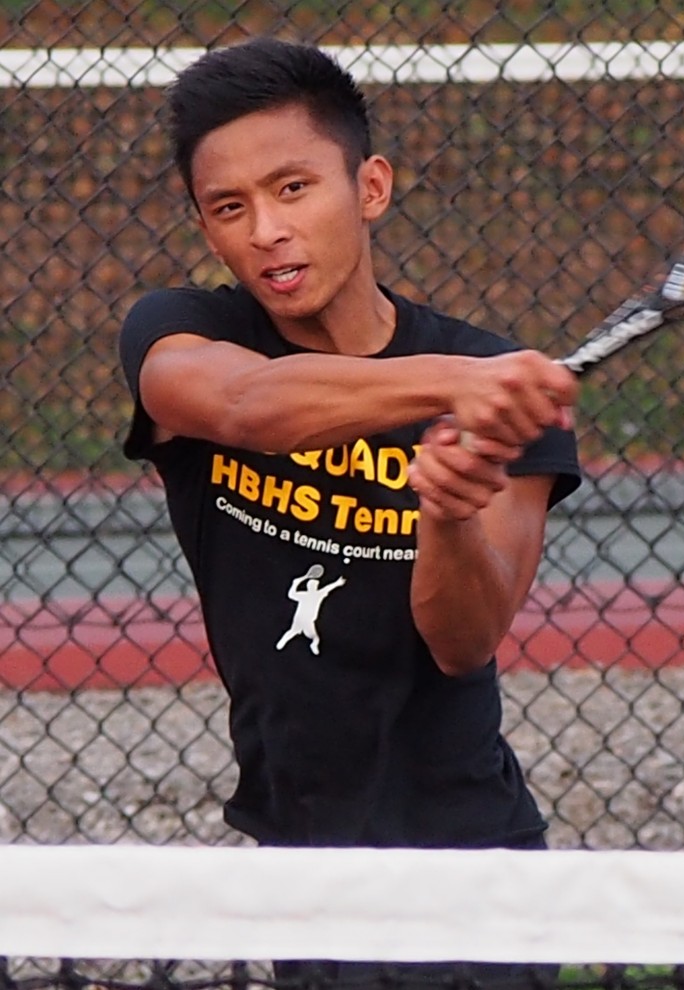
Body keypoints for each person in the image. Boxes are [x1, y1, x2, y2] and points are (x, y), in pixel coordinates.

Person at [118, 35, 579, 986]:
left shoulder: (497, 395)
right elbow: (250, 407)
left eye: (294, 189)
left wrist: (447, 515)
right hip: (304, 853)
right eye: (229, 208)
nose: (266, 231)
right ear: (206, 228)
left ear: (369, 187)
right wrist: (459, 385)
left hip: (473, 854)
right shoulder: (180, 331)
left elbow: (466, 639)